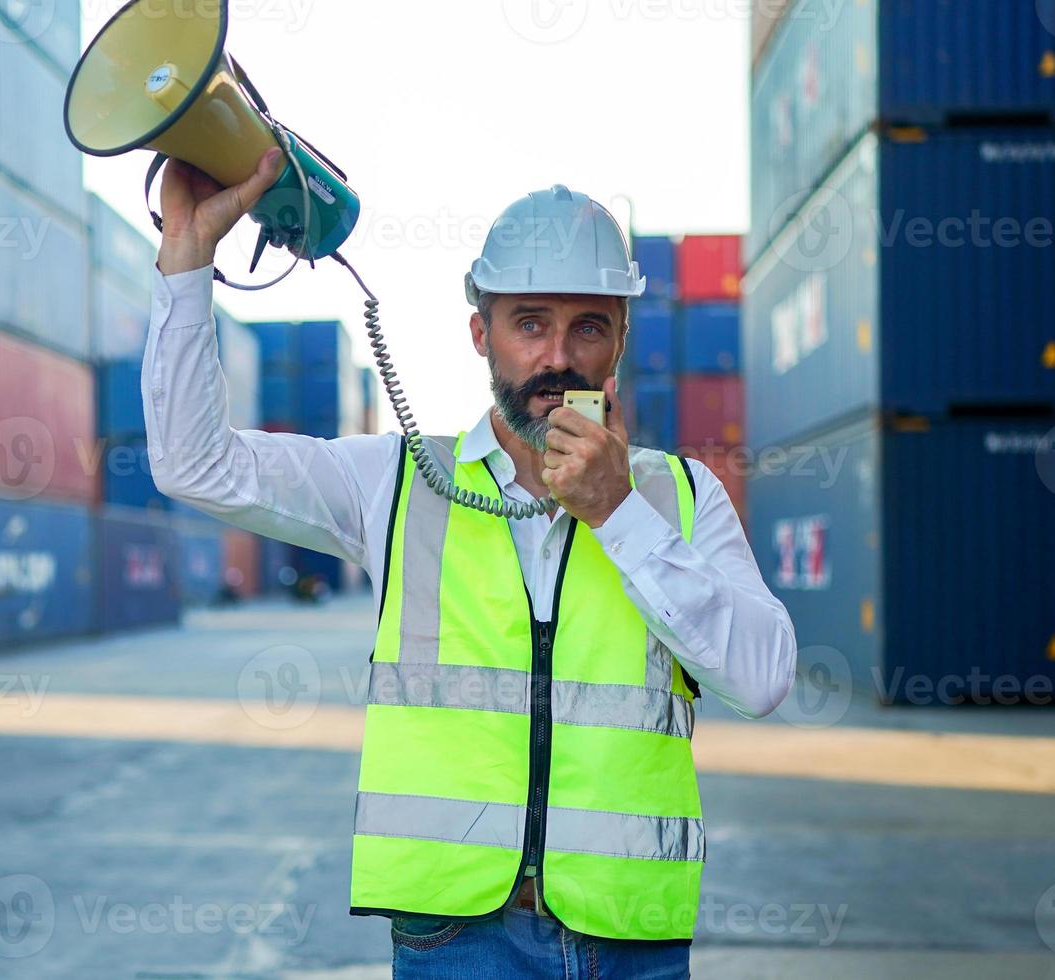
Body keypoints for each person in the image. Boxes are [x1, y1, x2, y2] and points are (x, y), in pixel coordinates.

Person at [144, 148, 797, 979]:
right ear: (479, 333)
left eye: (587, 326)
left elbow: (763, 677)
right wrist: (185, 258)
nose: (557, 357)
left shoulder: (678, 498)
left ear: (620, 341)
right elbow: (194, 465)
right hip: (456, 941)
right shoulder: (396, 483)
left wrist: (617, 514)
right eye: (529, 323)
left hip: (631, 939)